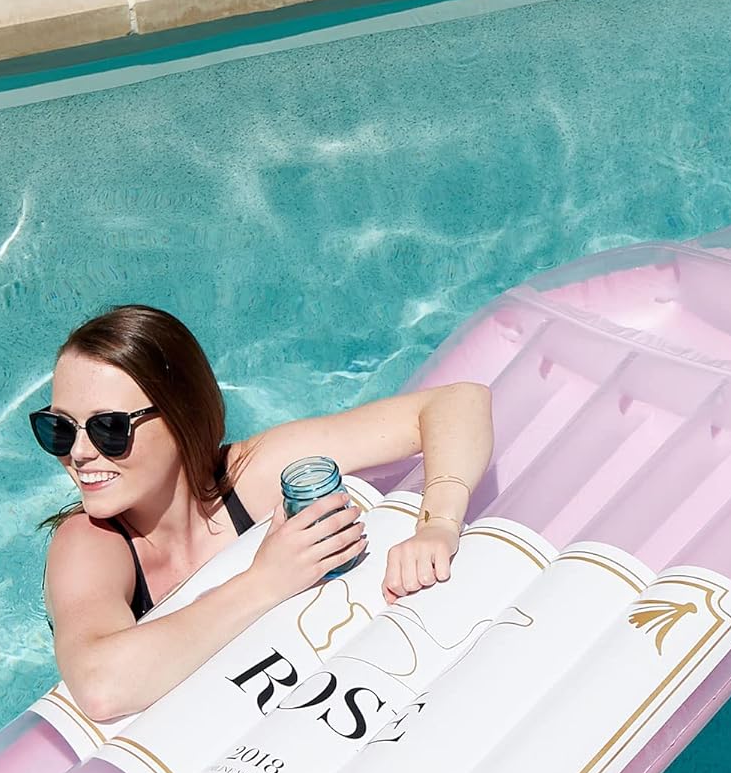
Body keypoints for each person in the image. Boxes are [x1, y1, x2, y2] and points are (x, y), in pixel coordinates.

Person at [33, 305, 494, 722]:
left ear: (181, 415)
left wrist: (438, 524)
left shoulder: (244, 478)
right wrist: (267, 580)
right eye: (58, 428)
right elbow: (101, 686)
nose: (78, 452)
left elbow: (457, 401)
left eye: (108, 428)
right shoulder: (89, 542)